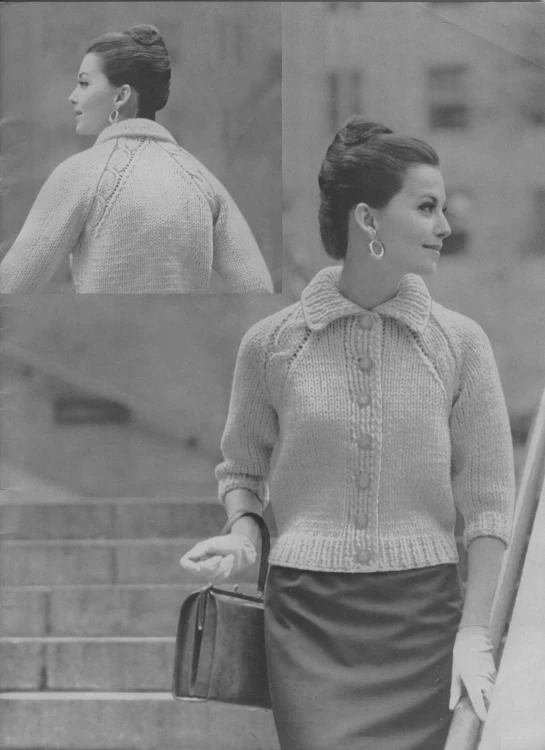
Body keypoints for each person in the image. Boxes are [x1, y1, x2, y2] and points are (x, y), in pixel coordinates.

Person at [180, 117, 515, 750]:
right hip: (308, 620)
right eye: (426, 207)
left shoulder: (460, 345)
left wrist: (475, 633)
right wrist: (245, 538)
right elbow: (242, 472)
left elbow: (490, 506)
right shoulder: (272, 345)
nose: (445, 225)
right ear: (368, 220)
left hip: (423, 622)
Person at [0, 24, 274, 294]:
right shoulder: (204, 182)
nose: (72, 96)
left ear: (121, 96)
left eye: (84, 83)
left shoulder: (77, 175)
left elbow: (10, 284)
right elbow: (258, 287)